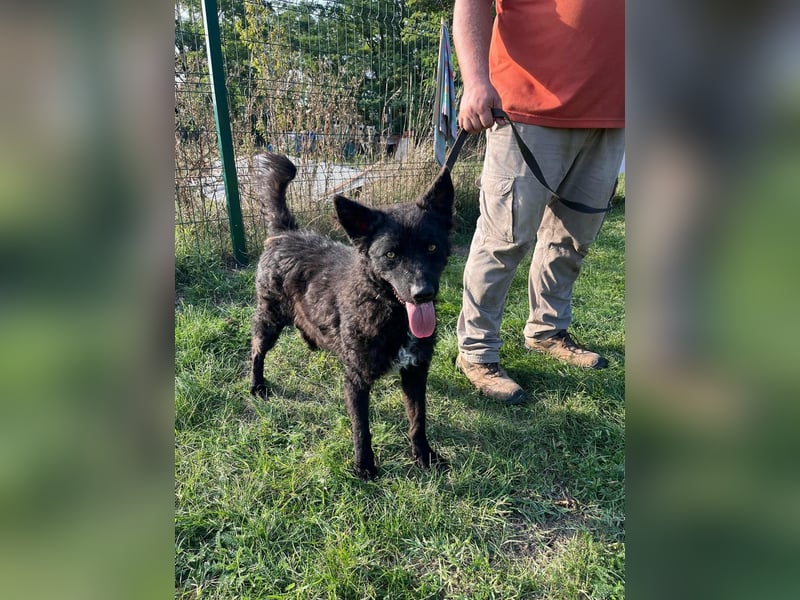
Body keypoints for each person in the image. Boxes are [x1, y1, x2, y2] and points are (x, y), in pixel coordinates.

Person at [452, 0, 625, 404]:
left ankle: (547, 331)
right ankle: (477, 351)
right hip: (525, 110)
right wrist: (476, 81)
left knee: (572, 238)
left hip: (612, 114)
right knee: (503, 239)